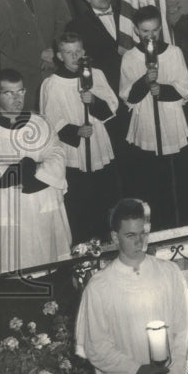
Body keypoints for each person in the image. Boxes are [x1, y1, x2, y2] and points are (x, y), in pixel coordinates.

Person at [75, 198, 188, 374]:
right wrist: (136, 370)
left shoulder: (169, 273)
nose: (139, 242)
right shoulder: (100, 286)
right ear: (115, 237)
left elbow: (185, 328)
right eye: (130, 235)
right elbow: (96, 345)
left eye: (143, 233)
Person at [0, 68, 70, 275]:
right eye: (9, 93)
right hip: (8, 211)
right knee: (12, 270)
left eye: (20, 92)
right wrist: (23, 169)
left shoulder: (41, 123)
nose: (17, 99)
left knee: (49, 269)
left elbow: (57, 153)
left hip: (42, 202)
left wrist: (34, 174)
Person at [40, 32, 120, 244]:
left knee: (103, 194)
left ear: (84, 52)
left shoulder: (96, 75)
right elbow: (50, 120)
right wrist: (75, 131)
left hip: (97, 142)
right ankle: (82, 245)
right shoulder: (52, 84)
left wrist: (93, 101)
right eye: (68, 53)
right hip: (73, 148)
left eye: (78, 51)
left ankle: (105, 240)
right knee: (79, 198)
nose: (75, 57)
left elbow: (112, 107)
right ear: (59, 56)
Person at [119, 5, 188, 157]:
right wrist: (145, 81)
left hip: (171, 115)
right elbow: (128, 95)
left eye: (155, 30)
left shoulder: (174, 52)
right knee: (149, 161)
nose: (150, 35)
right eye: (145, 31)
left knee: (174, 160)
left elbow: (185, 88)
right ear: (136, 30)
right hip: (145, 117)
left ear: (160, 28)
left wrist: (162, 90)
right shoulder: (130, 57)